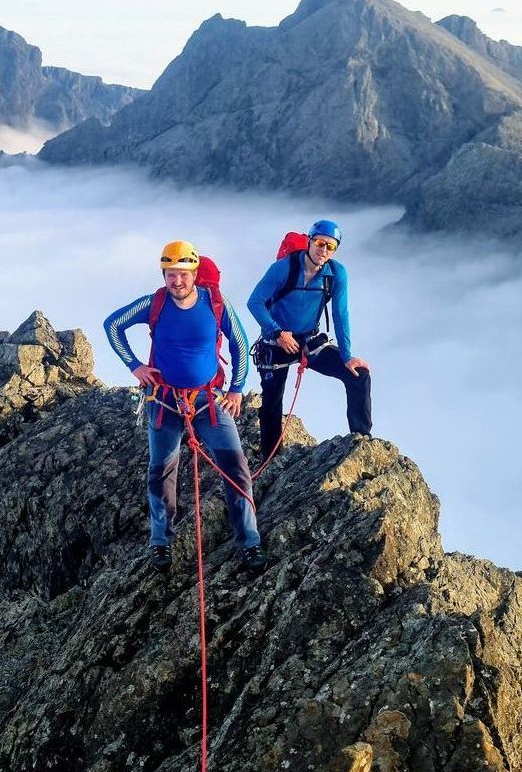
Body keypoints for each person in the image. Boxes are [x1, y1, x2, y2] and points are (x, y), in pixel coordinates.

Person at [104, 240, 265, 571]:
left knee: (236, 469)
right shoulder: (155, 304)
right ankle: (161, 540)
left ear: (194, 273)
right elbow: (113, 325)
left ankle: (249, 541)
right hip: (164, 399)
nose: (176, 281)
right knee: (161, 471)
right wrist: (135, 366)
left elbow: (240, 344)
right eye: (170, 274)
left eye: (182, 274)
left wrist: (236, 390)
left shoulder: (216, 304)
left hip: (208, 399)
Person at [246, 219, 372, 465]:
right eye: (320, 243)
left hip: (309, 340)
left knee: (359, 375)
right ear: (309, 242)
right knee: (272, 400)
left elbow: (340, 314)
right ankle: (270, 459)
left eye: (330, 246)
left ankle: (361, 441)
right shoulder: (284, 268)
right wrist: (276, 333)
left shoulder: (335, 273)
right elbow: (255, 302)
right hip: (276, 342)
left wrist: (347, 356)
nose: (324, 250)